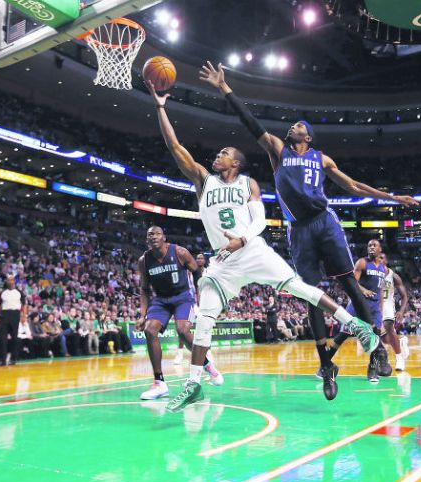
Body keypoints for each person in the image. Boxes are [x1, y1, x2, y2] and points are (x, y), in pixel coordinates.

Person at [146, 80, 378, 412]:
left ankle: (356, 326)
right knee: (205, 318)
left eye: (224, 153)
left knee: (300, 287)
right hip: (223, 261)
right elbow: (175, 147)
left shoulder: (248, 183)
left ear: (235, 164)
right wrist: (160, 107)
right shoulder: (203, 180)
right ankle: (194, 384)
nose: (217, 155)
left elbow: (260, 220)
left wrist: (242, 238)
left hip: (252, 250)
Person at [198, 61, 417, 383]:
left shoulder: (321, 158)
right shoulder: (278, 150)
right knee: (309, 294)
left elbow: (353, 186)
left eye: (299, 125)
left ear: (309, 136)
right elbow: (251, 123)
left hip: (324, 221)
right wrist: (224, 87)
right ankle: (326, 361)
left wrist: (392, 198)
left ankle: (376, 351)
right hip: (299, 229)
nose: (293, 126)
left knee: (349, 284)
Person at [136, 226, 222, 400]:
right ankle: (159, 383)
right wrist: (142, 314)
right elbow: (144, 289)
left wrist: (202, 296)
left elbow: (197, 272)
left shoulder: (180, 252)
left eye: (157, 233)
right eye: (150, 234)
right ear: (147, 240)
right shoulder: (144, 261)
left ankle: (207, 364)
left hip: (183, 298)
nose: (154, 236)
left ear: (164, 238)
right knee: (149, 330)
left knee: (182, 330)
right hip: (160, 300)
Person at [379, 253, 411, 372]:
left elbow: (404, 296)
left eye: (382, 258)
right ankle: (401, 341)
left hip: (388, 306)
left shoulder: (393, 276)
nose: (379, 260)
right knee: (385, 339)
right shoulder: (371, 274)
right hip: (375, 307)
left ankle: (399, 358)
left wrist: (401, 311)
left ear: (386, 261)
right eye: (377, 258)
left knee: (389, 328)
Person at [0, 275, 27, 366]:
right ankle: (3, 360)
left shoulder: (19, 292)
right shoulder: (2, 293)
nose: (10, 281)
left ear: (14, 281)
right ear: (6, 281)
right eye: (8, 280)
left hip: (15, 315)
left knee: (14, 338)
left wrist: (24, 316)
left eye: (12, 280)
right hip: (4, 315)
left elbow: (24, 305)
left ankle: (13, 358)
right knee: (3, 338)